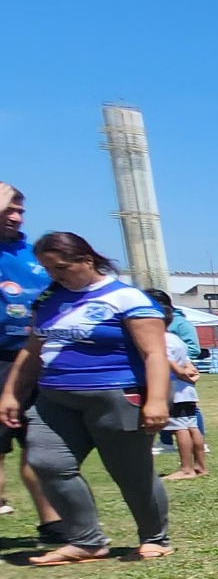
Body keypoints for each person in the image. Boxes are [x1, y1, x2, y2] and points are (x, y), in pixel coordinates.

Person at [1, 232, 174, 562]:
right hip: (55, 398)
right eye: (48, 269)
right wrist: (11, 393)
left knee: (131, 472)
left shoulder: (127, 298)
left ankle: (155, 537)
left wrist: (155, 401)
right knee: (47, 462)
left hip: (115, 396)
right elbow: (32, 352)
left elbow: (154, 353)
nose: (55, 276)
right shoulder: (49, 300)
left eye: (62, 268)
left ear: (87, 261)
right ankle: (86, 541)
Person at [0, 182, 53, 521]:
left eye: (20, 210)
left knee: (40, 442)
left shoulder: (33, 254)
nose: (16, 217)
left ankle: (53, 522)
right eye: (8, 209)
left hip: (37, 357)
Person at [155, 303, 208, 480]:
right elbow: (188, 364)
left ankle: (186, 469)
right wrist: (191, 377)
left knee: (180, 428)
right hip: (187, 391)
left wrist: (182, 376)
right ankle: (200, 466)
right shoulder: (176, 339)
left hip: (175, 390)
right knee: (192, 427)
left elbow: (170, 363)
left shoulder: (161, 340)